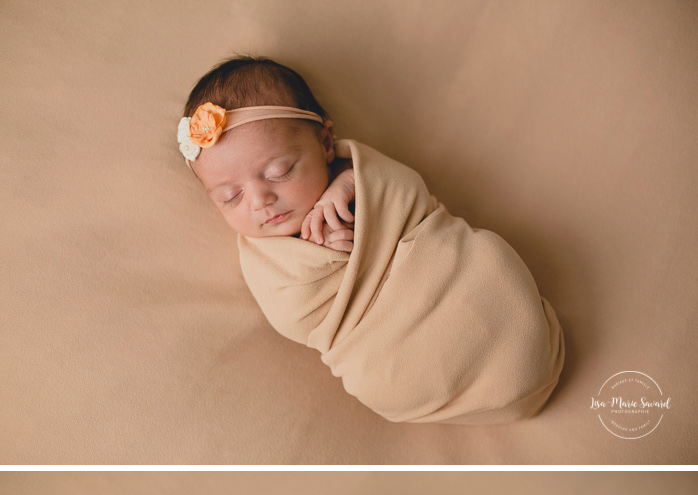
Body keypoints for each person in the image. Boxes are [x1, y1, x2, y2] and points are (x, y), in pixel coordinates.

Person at [176, 54, 564, 427]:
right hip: (388, 352)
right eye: (231, 197)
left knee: (490, 259)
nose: (260, 201)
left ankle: (525, 350)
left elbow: (407, 193)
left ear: (326, 143)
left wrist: (349, 184)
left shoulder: (356, 174)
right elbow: (293, 317)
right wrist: (323, 257)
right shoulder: (264, 261)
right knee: (382, 382)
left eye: (280, 171)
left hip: (452, 277)